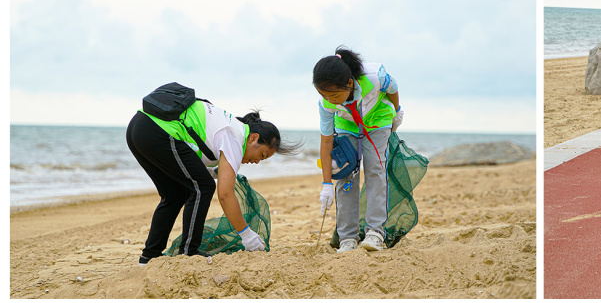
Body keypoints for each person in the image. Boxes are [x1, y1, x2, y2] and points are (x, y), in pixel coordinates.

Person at [125, 92, 299, 264]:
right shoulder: (235, 137)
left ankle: (149, 257)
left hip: (138, 128)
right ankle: (189, 253)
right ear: (254, 138)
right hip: (158, 130)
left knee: (174, 194)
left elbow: (188, 164)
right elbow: (225, 195)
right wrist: (247, 236)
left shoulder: (229, 126)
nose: (256, 161)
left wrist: (213, 173)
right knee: (203, 188)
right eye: (261, 155)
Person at [315, 46, 403, 253]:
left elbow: (394, 88)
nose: (330, 100)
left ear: (349, 83)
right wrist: (326, 183)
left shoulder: (375, 78)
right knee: (345, 174)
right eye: (324, 95)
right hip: (347, 126)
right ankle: (347, 237)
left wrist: (397, 112)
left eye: (334, 95)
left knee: (375, 169)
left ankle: (375, 232)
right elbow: (326, 142)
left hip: (377, 121)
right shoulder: (326, 104)